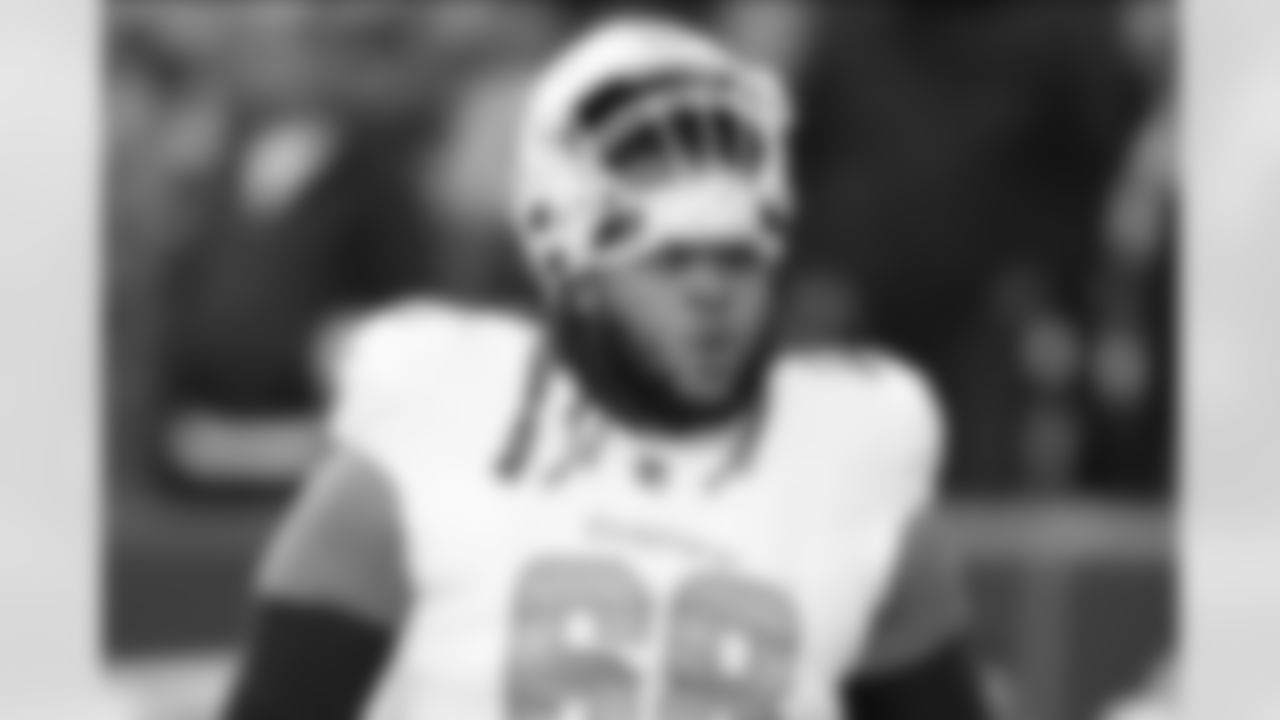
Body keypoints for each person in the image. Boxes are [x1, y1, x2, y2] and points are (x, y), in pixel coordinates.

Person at [222, 16, 998, 720]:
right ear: (575, 267)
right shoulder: (429, 428)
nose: (711, 295)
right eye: (671, 260)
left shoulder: (849, 460)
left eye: (737, 259)